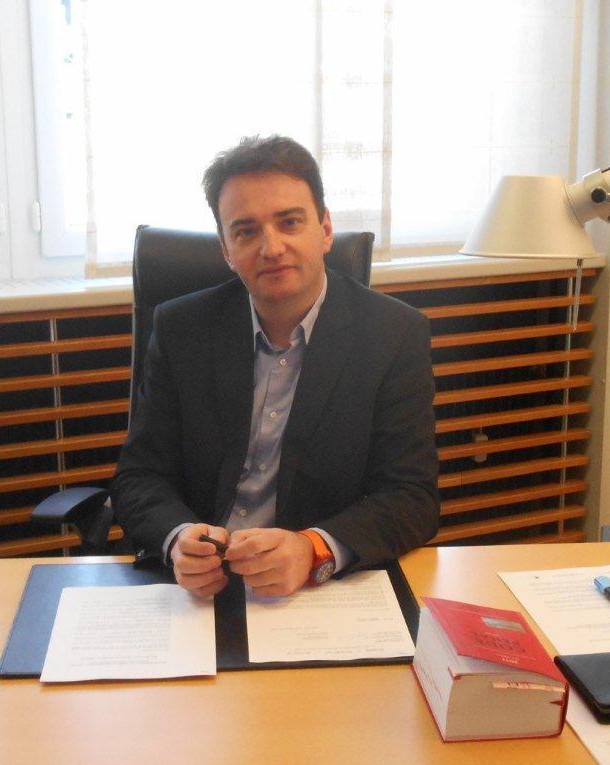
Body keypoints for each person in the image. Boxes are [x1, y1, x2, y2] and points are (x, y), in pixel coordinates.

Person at [111, 135, 439, 599]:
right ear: (226, 250)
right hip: (195, 590)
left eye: (289, 222)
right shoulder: (182, 329)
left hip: (311, 591)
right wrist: (177, 538)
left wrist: (313, 549)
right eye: (246, 231)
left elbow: (411, 497)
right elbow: (140, 476)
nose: (271, 247)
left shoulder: (393, 334)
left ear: (325, 230)